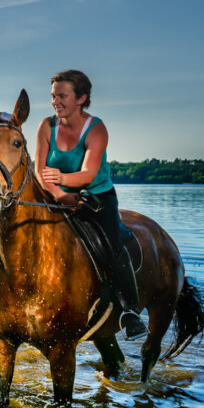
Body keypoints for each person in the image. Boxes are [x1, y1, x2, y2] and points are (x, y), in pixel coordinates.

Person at [35, 69, 148, 340]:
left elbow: (87, 172)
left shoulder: (96, 128)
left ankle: (130, 311)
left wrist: (62, 178)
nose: (56, 101)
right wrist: (58, 193)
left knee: (110, 245)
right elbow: (40, 171)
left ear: (81, 98)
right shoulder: (45, 126)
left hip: (96, 197)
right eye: (53, 96)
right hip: (54, 195)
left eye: (62, 96)